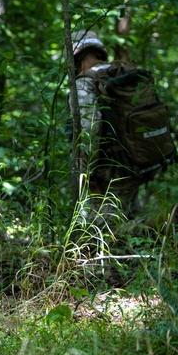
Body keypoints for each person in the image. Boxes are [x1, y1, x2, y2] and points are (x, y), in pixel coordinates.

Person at [70, 30, 142, 238]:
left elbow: (91, 128)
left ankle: (161, 223)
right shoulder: (119, 74)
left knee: (102, 228)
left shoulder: (85, 82)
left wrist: (88, 170)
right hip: (135, 158)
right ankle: (159, 234)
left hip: (107, 168)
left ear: (78, 58)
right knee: (128, 214)